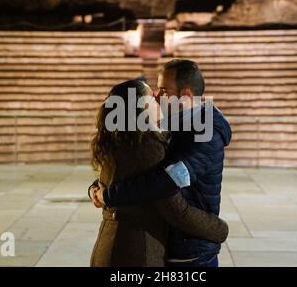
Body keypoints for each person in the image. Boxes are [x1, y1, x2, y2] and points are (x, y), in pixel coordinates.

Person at [91, 59, 232, 267]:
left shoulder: (206, 135)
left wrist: (106, 194)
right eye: (155, 92)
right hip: (150, 246)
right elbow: (139, 176)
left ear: (185, 97)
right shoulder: (157, 131)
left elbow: (164, 183)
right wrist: (99, 189)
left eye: (164, 91)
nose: (158, 96)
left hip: (190, 249)